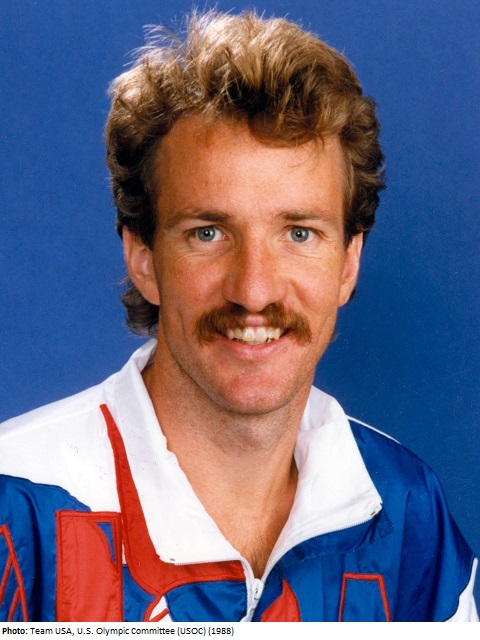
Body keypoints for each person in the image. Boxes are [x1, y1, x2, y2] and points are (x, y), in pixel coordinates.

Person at [0, 10, 477, 623]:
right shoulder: (18, 508)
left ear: (348, 263)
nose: (253, 290)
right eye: (208, 232)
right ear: (143, 259)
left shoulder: (406, 512)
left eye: (299, 233)